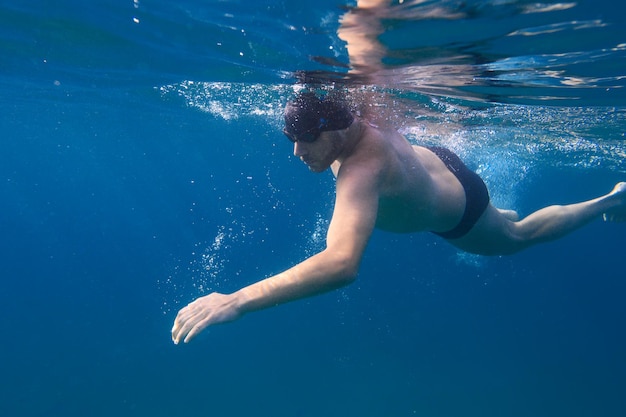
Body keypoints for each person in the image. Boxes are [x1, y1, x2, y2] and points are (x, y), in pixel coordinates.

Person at [171, 91, 626, 344]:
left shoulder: (362, 170)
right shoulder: (353, 118)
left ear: (337, 127)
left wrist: (237, 300)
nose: (297, 151)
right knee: (498, 219)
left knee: (516, 236)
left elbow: (342, 264)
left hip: (457, 210)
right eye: (290, 137)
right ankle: (494, 212)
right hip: (437, 163)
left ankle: (612, 199)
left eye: (307, 137)